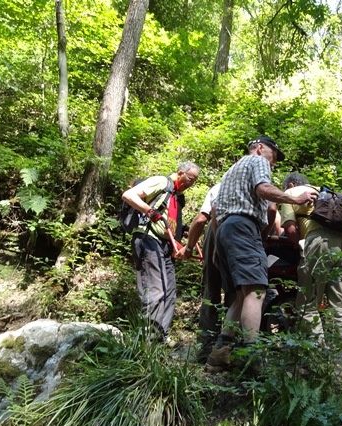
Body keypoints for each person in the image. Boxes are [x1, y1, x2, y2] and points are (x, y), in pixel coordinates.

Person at [205, 136, 317, 372]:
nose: (273, 163)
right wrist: (294, 198)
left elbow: (215, 210)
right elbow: (265, 193)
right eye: (273, 156)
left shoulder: (230, 172)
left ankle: (219, 353)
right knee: (256, 290)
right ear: (259, 148)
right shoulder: (257, 162)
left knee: (240, 295)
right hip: (244, 226)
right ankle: (252, 357)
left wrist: (217, 247)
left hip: (224, 231)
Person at [279, 173, 342, 357]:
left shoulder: (291, 193)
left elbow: (289, 228)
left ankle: (318, 358)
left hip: (319, 242)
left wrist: (302, 248)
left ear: (289, 184)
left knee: (308, 304)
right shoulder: (329, 195)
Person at [121, 161, 200, 342]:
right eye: (189, 178)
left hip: (166, 246)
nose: (191, 183)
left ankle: (161, 337)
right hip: (148, 239)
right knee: (155, 290)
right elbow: (128, 195)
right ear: (180, 173)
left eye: (194, 181)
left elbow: (169, 220)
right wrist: (149, 211)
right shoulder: (161, 182)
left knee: (169, 291)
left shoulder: (177, 196)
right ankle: (147, 339)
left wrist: (184, 230)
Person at [180, 183, 235, 354]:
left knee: (211, 288)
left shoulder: (220, 187)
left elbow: (202, 219)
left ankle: (206, 346)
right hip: (243, 232)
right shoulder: (257, 186)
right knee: (237, 291)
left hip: (216, 227)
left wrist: (188, 248)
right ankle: (230, 346)